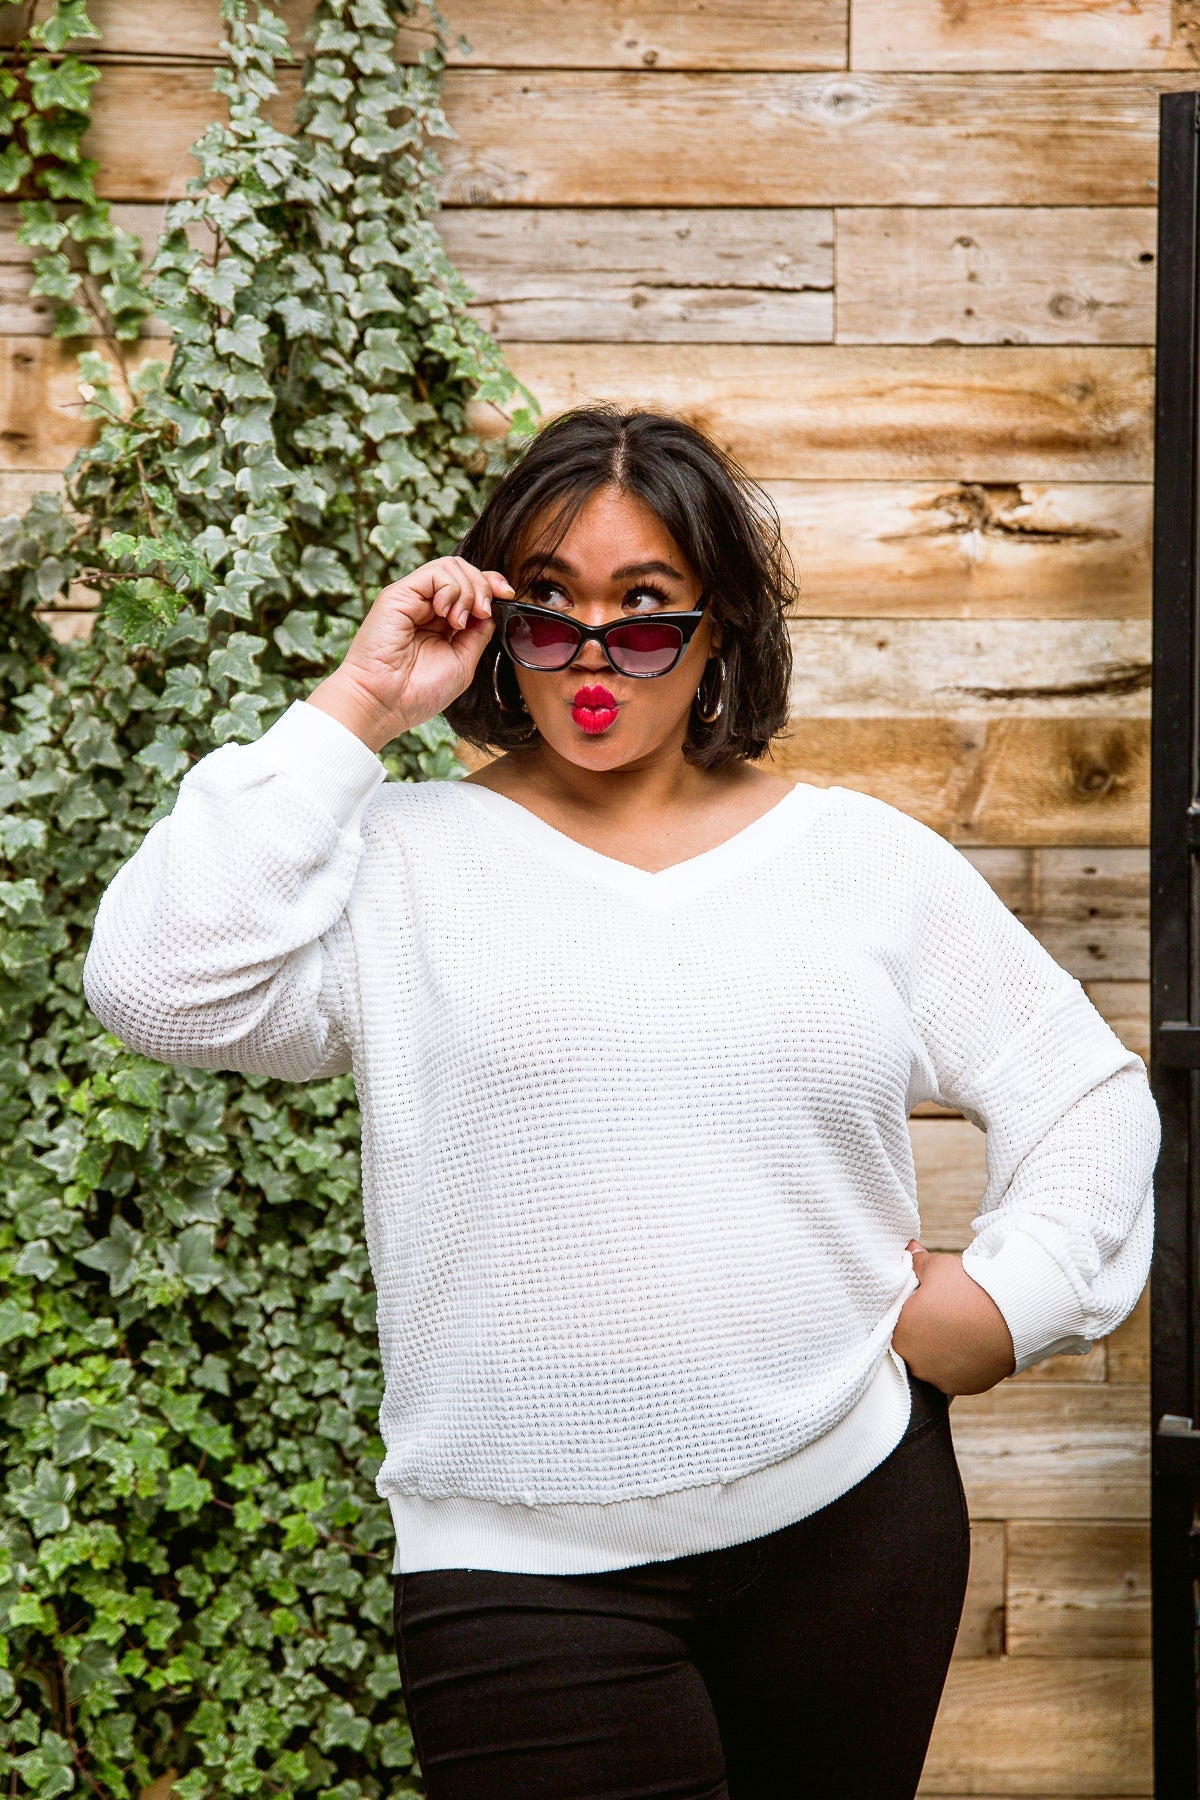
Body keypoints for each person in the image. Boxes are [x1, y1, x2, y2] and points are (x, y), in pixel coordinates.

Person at [83, 405, 1161, 1800]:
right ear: (497, 623)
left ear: (721, 630)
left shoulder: (860, 861)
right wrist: (359, 705)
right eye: (550, 609)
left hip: (851, 1520)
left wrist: (1011, 1300)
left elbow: (1085, 1092)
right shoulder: (399, 861)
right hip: (515, 1566)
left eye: (647, 612)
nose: (594, 656)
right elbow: (160, 983)